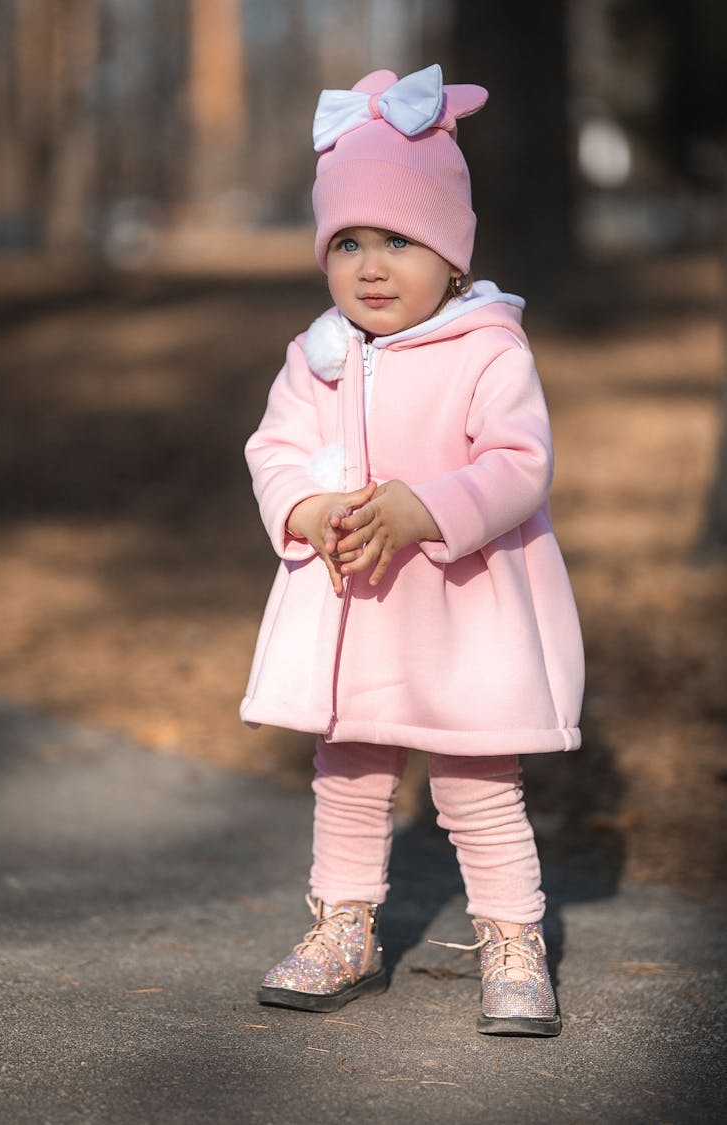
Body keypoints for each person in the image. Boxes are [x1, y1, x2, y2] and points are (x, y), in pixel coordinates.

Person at [240, 64, 584, 1037]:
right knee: (348, 771)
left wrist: (425, 509)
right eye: (347, 242)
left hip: (459, 604)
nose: (372, 266)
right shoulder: (318, 356)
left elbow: (520, 464)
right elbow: (274, 448)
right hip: (356, 611)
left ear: (454, 255)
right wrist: (303, 508)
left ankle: (514, 940)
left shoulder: (487, 351)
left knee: (476, 779)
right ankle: (344, 926)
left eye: (400, 239)